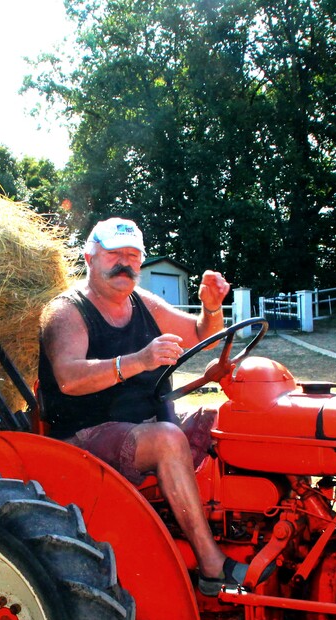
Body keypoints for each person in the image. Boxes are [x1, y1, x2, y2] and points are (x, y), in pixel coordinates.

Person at [38, 217, 263, 595]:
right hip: (82, 438)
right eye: (114, 254)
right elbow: (69, 377)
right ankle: (211, 565)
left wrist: (210, 309)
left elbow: (201, 336)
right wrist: (138, 361)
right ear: (90, 257)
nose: (125, 263)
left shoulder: (142, 304)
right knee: (167, 439)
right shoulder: (67, 312)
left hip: (144, 424)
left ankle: (257, 529)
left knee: (225, 420)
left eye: (133, 256)